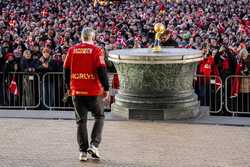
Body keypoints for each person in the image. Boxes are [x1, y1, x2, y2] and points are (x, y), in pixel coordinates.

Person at [63, 27, 109, 161]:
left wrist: (68, 87)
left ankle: (82, 152)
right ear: (93, 37)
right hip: (93, 91)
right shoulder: (96, 50)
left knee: (81, 121)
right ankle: (94, 145)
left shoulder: (72, 50)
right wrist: (106, 88)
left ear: (81, 37)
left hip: (76, 90)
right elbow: (101, 70)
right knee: (99, 116)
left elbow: (65, 69)